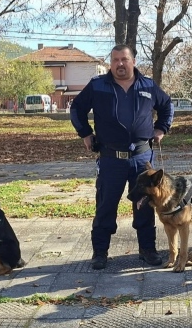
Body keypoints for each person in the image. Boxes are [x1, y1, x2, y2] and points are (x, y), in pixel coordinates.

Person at [70, 44, 173, 270]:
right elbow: (76, 108)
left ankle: (148, 250)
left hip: (141, 156)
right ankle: (100, 253)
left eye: (124, 59)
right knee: (106, 205)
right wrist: (85, 134)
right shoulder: (98, 86)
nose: (119, 64)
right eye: (115, 60)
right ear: (110, 63)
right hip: (110, 158)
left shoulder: (147, 85)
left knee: (144, 205)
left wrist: (161, 128)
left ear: (133, 61)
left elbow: (166, 106)